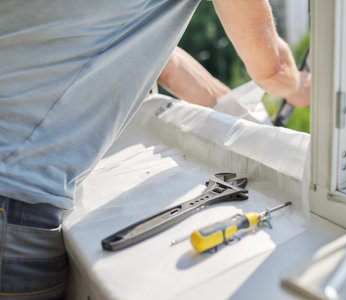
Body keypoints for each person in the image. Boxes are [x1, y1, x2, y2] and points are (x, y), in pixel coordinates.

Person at [0, 0, 310, 298]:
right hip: (14, 198)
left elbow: (164, 60)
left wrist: (244, 121)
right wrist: (297, 87)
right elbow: (271, 69)